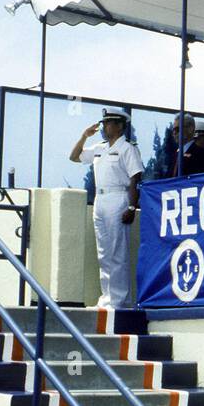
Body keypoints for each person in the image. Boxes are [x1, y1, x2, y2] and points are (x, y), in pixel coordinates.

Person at [70, 108, 143, 311]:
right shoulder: (99, 147)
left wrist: (131, 205)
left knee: (118, 251)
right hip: (100, 200)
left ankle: (119, 300)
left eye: (108, 123)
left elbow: (135, 178)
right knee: (104, 252)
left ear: (120, 125)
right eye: (103, 123)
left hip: (118, 197)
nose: (104, 127)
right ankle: (107, 298)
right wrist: (84, 136)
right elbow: (74, 157)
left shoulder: (127, 148)